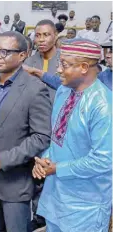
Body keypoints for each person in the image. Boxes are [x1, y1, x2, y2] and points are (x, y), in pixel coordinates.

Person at [0, 31, 52, 232]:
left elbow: (42, 136)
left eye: (6, 52)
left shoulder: (34, 89)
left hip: (15, 180)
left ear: (23, 55)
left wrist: (4, 159)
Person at [34, 38, 112, 232]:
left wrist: (57, 168)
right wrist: (44, 160)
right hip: (56, 196)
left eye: (64, 64)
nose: (58, 70)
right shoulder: (63, 91)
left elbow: (105, 160)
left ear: (84, 67)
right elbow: (58, 139)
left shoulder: (103, 105)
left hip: (86, 205)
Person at [24, 20, 60, 101]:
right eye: (37, 35)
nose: (41, 39)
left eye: (46, 35)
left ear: (56, 35)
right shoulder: (29, 63)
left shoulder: (65, 61)